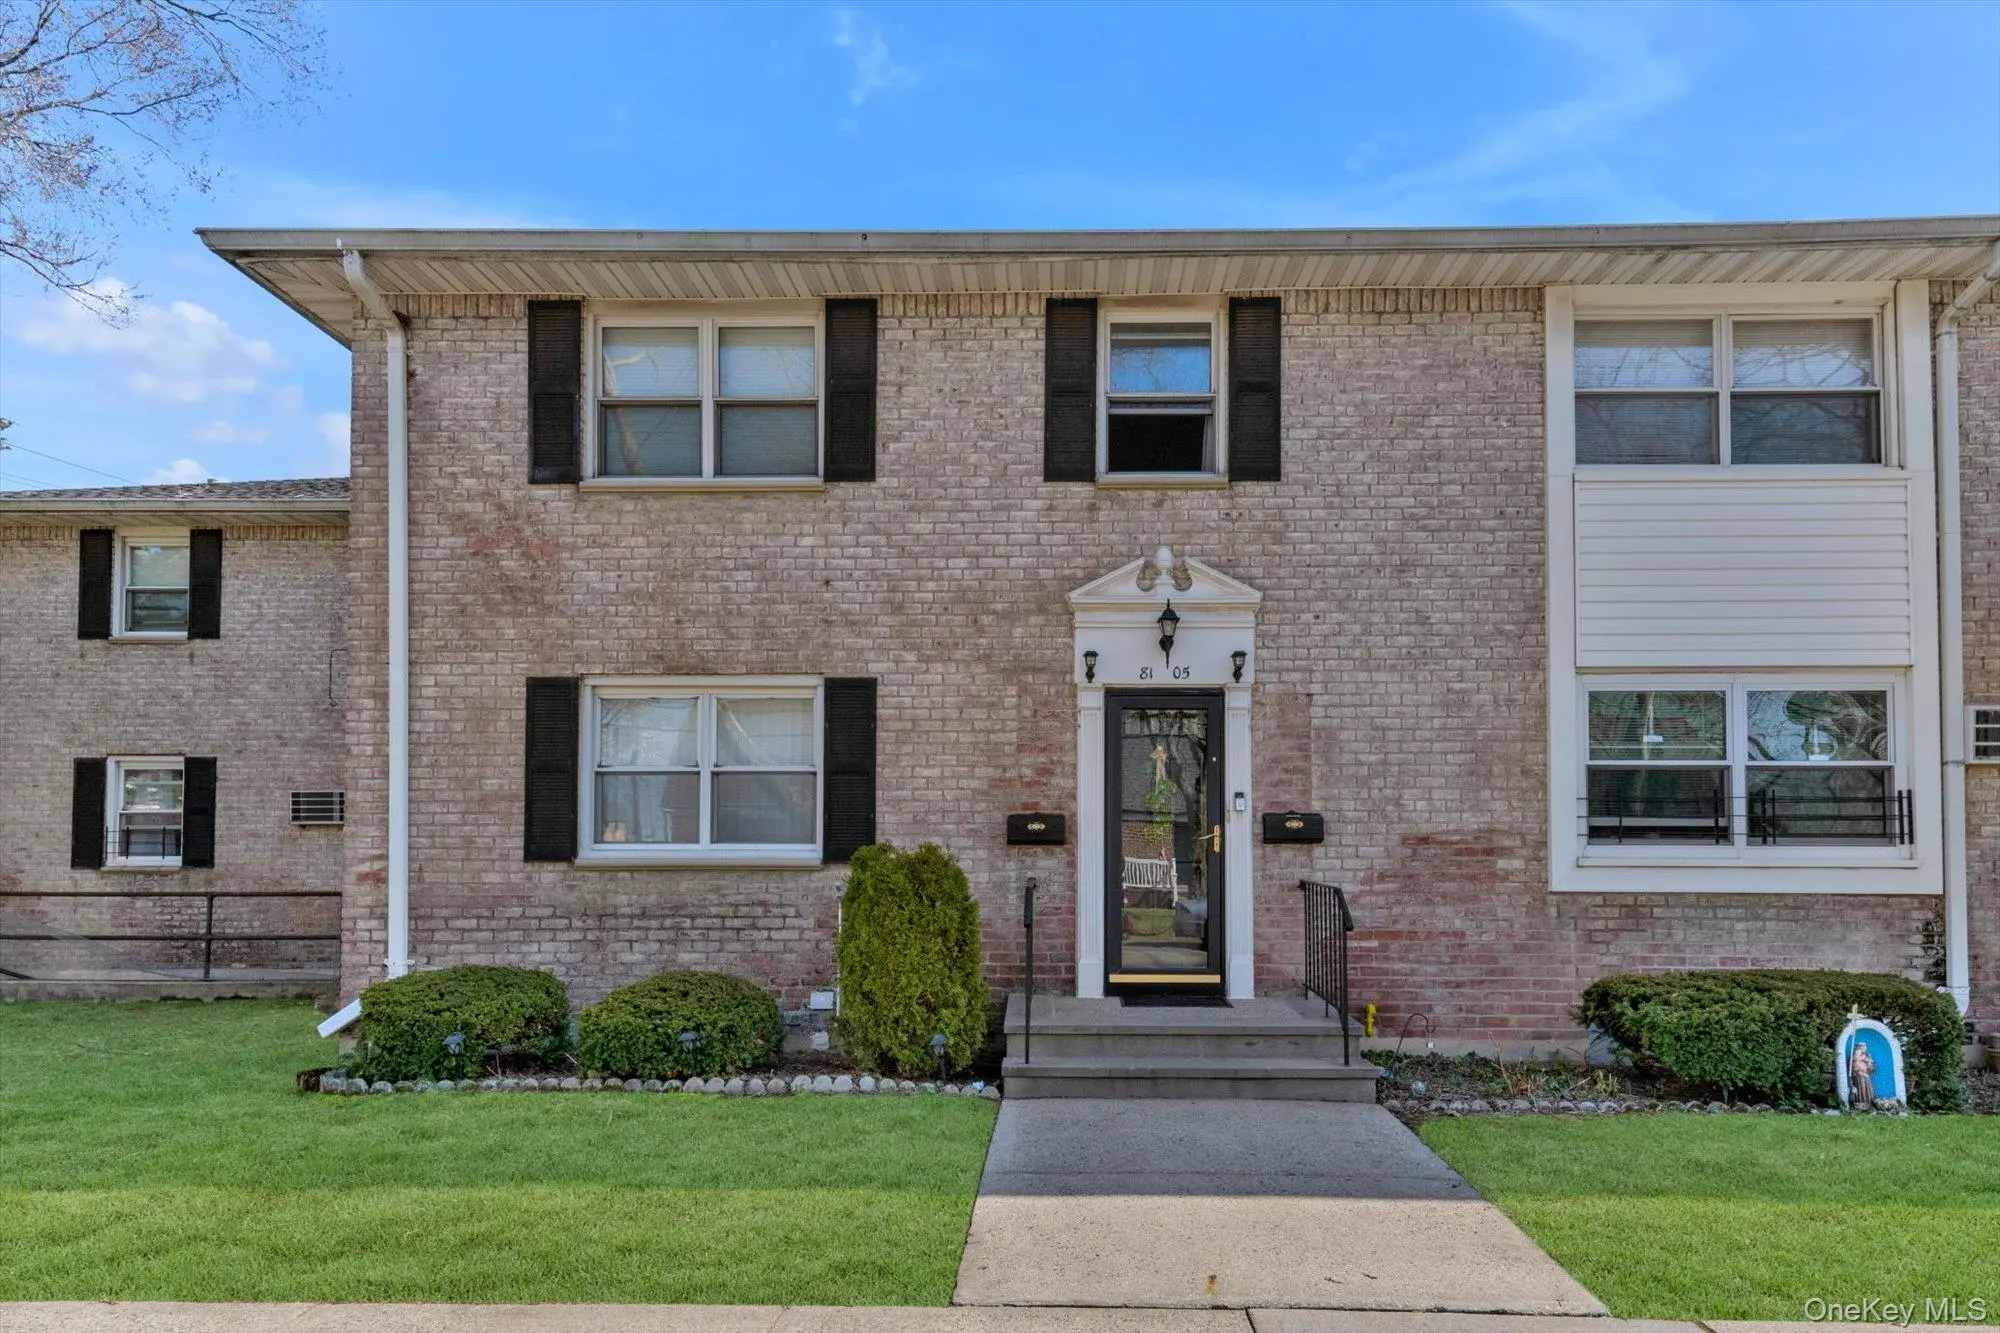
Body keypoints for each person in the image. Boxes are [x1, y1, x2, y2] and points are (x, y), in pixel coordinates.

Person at [1848, 1038, 1877, 1110]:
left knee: (1867, 1088)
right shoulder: (1855, 1054)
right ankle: (1861, 1102)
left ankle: (1869, 1102)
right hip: (1859, 1075)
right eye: (1861, 1046)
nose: (1863, 1048)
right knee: (1861, 1088)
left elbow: (1871, 1066)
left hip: (1866, 1075)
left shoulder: (1867, 1055)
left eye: (1863, 1046)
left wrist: (1868, 1064)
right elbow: (1854, 1064)